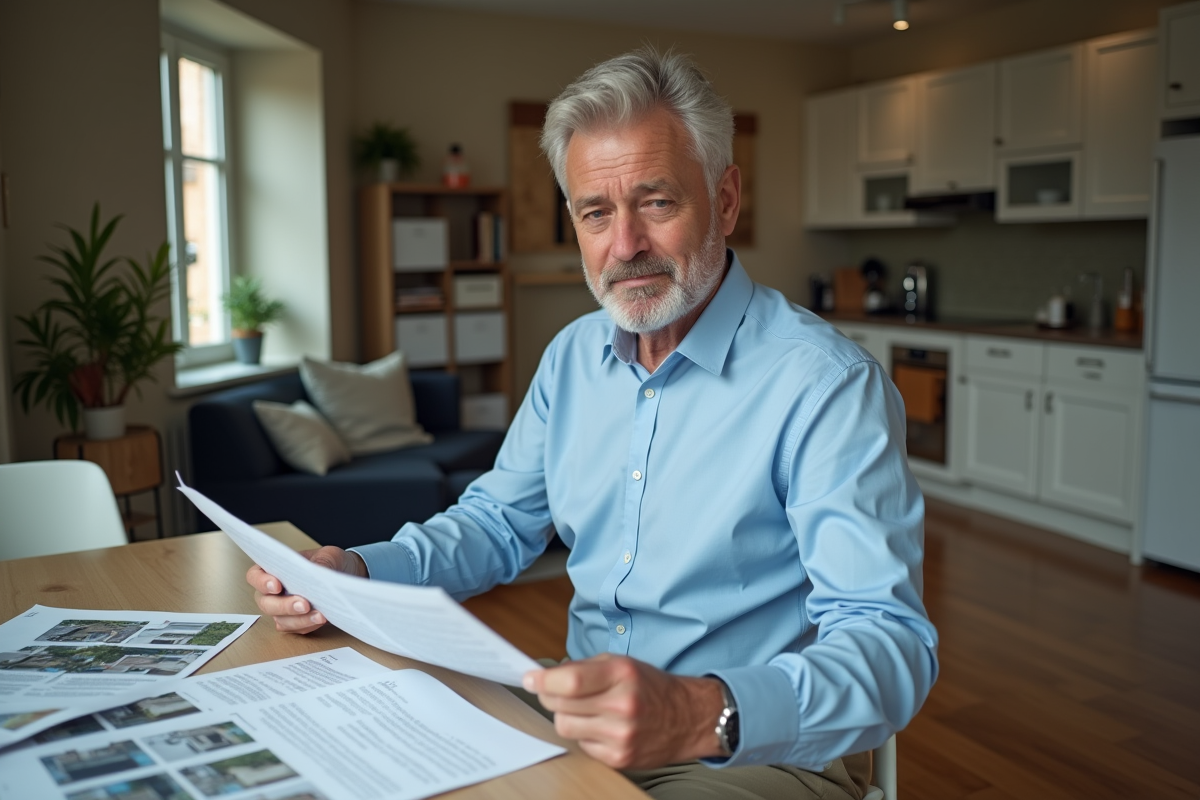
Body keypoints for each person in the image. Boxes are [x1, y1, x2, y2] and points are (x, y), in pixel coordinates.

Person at [247, 47, 938, 800]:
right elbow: (495, 524)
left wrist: (705, 711)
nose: (625, 246)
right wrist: (362, 571)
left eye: (657, 202)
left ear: (727, 199)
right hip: (581, 720)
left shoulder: (824, 385)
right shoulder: (572, 358)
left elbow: (889, 642)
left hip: (752, 751)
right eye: (596, 212)